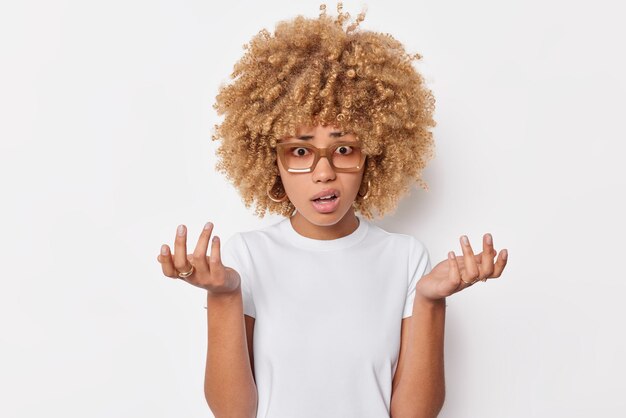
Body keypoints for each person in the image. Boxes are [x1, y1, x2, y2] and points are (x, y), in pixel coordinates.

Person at [157, 3, 508, 418]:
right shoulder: (246, 258)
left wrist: (430, 301)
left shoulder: (405, 259)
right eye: (301, 151)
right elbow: (234, 413)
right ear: (272, 160)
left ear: (373, 155)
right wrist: (224, 296)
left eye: (343, 149)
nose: (323, 173)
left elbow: (415, 414)